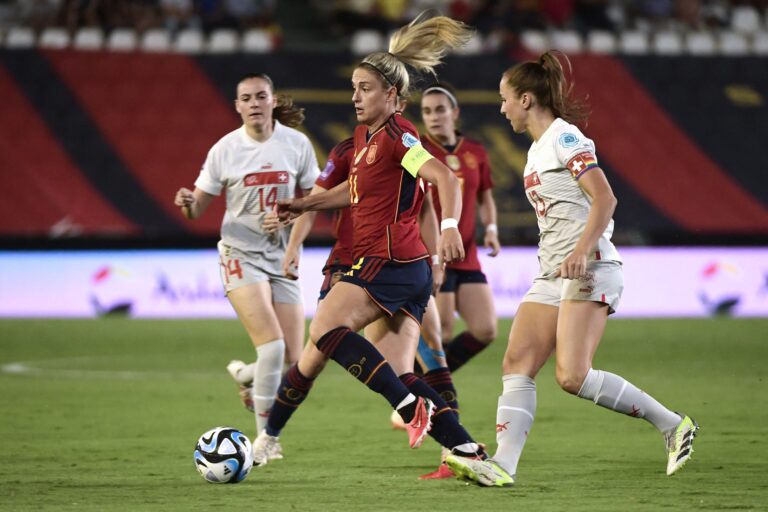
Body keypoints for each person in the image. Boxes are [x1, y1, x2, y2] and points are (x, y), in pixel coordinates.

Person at [446, 51, 698, 487]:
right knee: (517, 360)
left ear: (526, 99)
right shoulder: (535, 151)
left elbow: (605, 198)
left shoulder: (565, 138)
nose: (501, 108)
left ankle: (673, 424)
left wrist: (582, 250)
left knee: (572, 375)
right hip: (554, 272)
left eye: (505, 99)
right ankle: (503, 465)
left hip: (590, 266)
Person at [265, 12, 488, 470]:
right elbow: (355, 192)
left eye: (365, 88)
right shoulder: (366, 138)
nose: (355, 97)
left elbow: (445, 178)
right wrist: (303, 205)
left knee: (325, 331)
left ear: (392, 94)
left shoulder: (399, 135)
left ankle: (409, 409)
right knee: (400, 370)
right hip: (406, 271)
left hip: (386, 261)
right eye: (353, 87)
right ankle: (468, 450)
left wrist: (449, 228)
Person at [173, 73, 320, 460]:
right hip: (239, 254)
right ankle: (263, 442)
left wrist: (291, 231)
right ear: (237, 106)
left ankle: (247, 375)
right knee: (272, 347)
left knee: (293, 360)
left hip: (280, 259)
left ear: (273, 100)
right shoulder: (225, 150)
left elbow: (314, 203)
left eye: (261, 96)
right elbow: (197, 209)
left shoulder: (297, 145)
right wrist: (188, 202)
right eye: (246, 98)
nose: (254, 103)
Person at [418, 81, 500, 373]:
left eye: (440, 109)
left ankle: (424, 387)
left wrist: (491, 229)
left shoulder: (475, 151)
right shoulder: (419, 151)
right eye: (427, 111)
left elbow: (485, 196)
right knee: (443, 332)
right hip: (434, 254)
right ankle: (423, 397)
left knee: (485, 329)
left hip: (467, 254)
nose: (433, 117)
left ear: (455, 112)